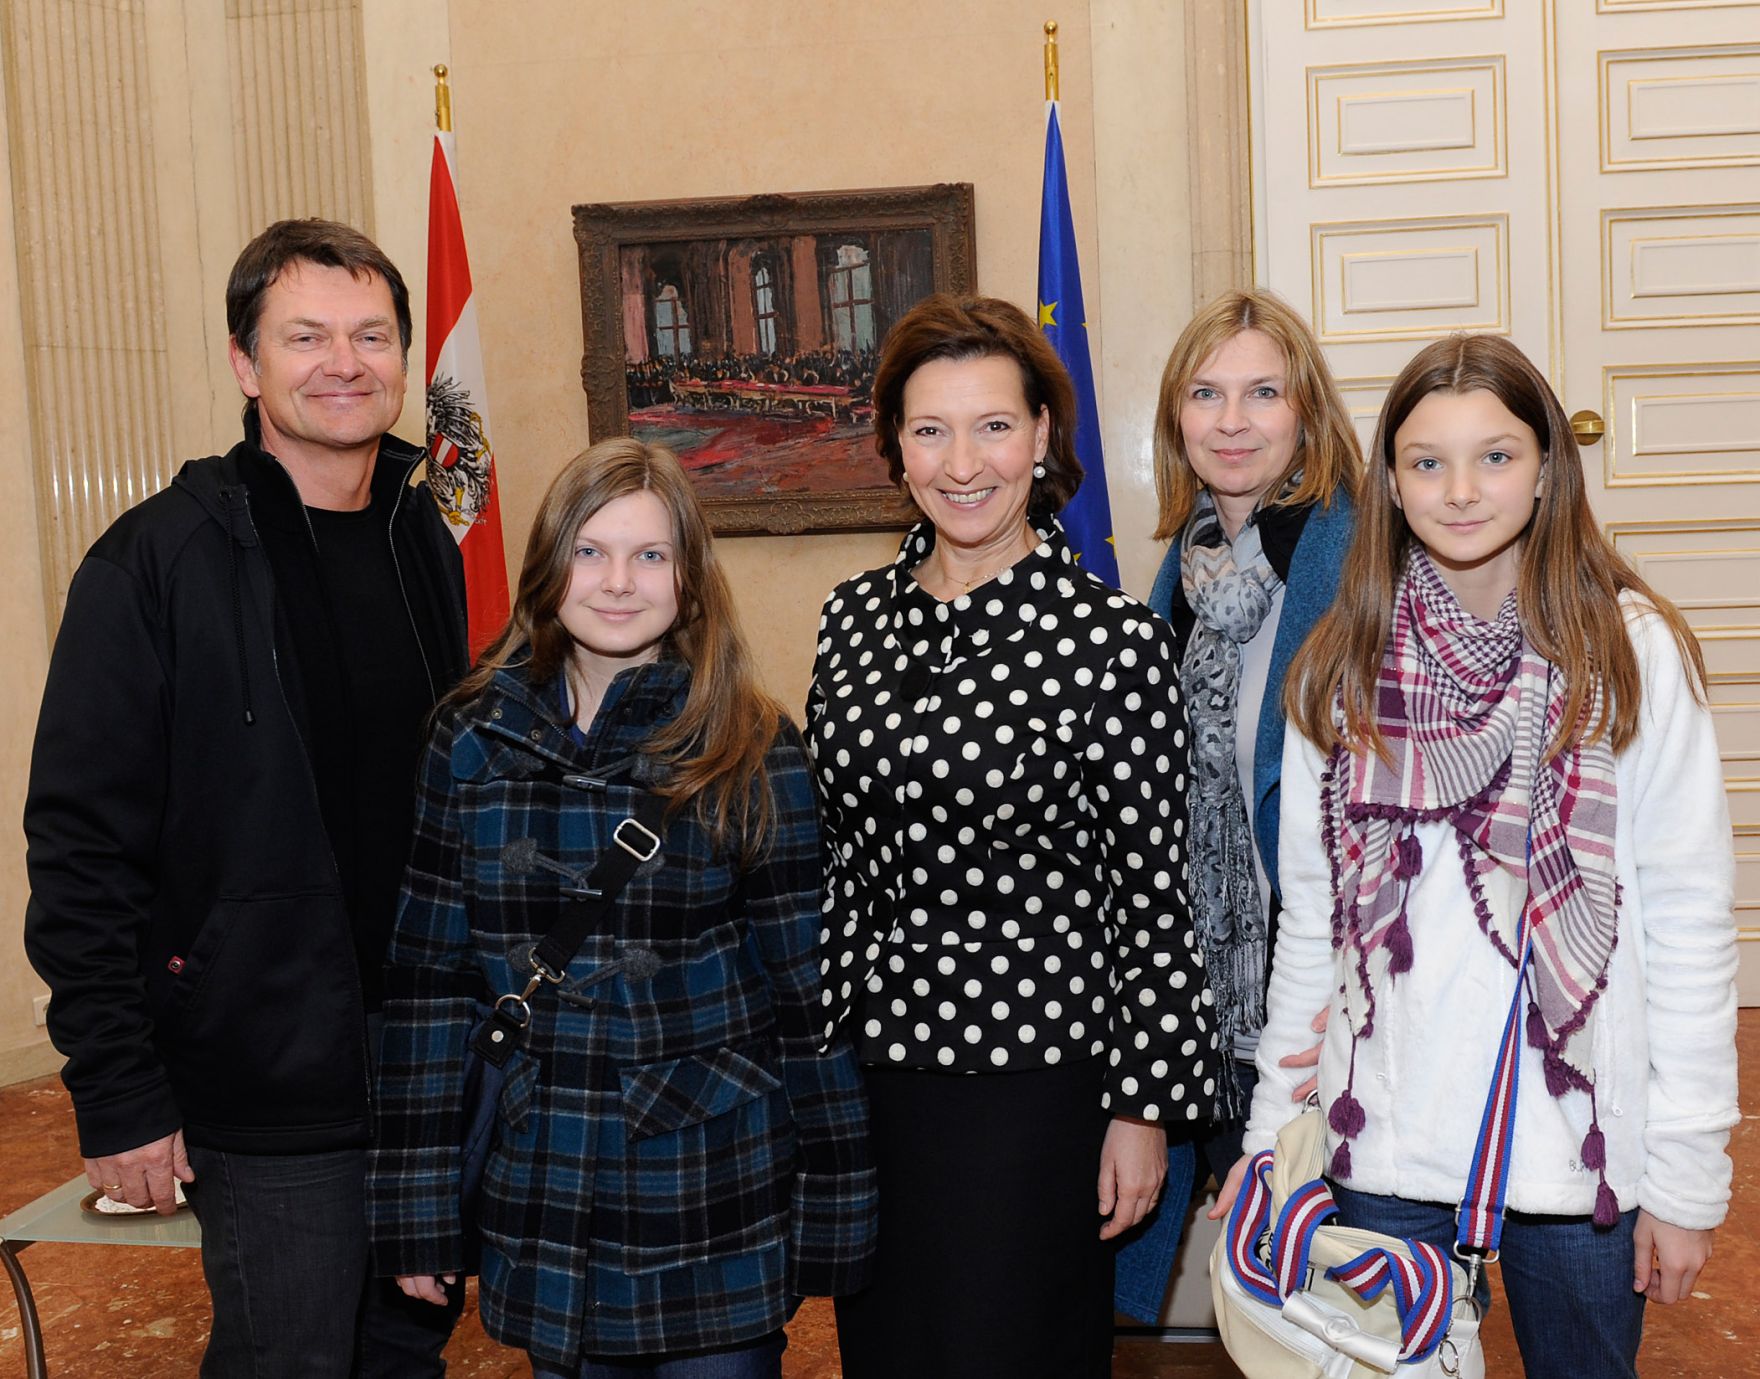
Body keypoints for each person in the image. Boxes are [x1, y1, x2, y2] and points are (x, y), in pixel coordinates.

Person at [1235, 333, 1737, 1379]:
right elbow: (1314, 926)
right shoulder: (1340, 666)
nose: (1460, 490)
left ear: (1547, 467)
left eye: (1495, 456)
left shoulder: (1630, 652)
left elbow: (1690, 926)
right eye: (1427, 461)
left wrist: (1686, 1178)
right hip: (1383, 1135)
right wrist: (1272, 1137)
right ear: (1388, 481)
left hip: (1577, 1147)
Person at [22, 218, 471, 1376]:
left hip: (425, 1065)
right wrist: (118, 1087)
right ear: (244, 362)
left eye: (371, 335)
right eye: (305, 335)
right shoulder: (155, 561)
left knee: (404, 1355)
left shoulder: (426, 533)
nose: (344, 363)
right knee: (289, 1356)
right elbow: (80, 843)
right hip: (264, 1077)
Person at [367, 438, 877, 1378]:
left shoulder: (751, 743)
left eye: (649, 554)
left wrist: (837, 1199)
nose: (616, 582)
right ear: (548, 565)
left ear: (689, 578)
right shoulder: (469, 737)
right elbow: (428, 987)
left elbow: (807, 994)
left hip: (709, 1186)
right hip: (546, 1176)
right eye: (590, 551)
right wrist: (417, 1205)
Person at [809, 293, 1219, 1379]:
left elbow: (1152, 893)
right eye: (930, 429)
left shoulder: (1112, 640)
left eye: (993, 425)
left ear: (1041, 435)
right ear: (895, 446)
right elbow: (838, 859)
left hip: (1035, 1082)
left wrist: (1142, 1108)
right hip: (869, 1082)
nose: (962, 463)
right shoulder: (849, 618)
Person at [1114, 289, 1361, 1322]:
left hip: (1331, 980)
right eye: (1206, 394)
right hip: (1215, 989)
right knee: (1273, 1293)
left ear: (1306, 411)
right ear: (1174, 416)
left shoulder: (1358, 558)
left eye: (1262, 392)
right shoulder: (1183, 570)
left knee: (1354, 1291)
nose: (1231, 421)